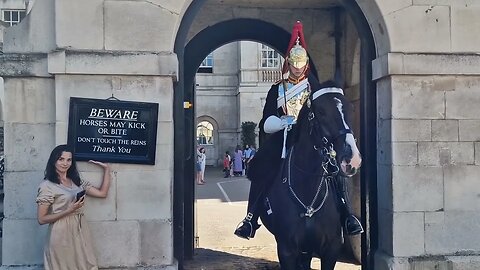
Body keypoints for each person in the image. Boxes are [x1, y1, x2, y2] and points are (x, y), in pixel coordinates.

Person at [234, 21, 363, 240]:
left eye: (300, 62)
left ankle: (347, 214)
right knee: (263, 166)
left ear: (306, 64)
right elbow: (266, 122)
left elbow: (329, 112)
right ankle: (251, 217)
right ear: (288, 62)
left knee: (334, 165)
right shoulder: (278, 88)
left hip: (313, 137)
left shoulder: (315, 89)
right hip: (284, 137)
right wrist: (284, 122)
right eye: (293, 62)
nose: (297, 66)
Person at [36, 144, 111, 270]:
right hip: (60, 232)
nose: (65, 163)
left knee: (86, 264)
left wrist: (107, 170)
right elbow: (41, 219)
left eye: (68, 160)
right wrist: (69, 210)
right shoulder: (47, 186)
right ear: (53, 160)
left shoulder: (77, 181)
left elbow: (102, 193)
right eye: (61, 159)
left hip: (80, 229)